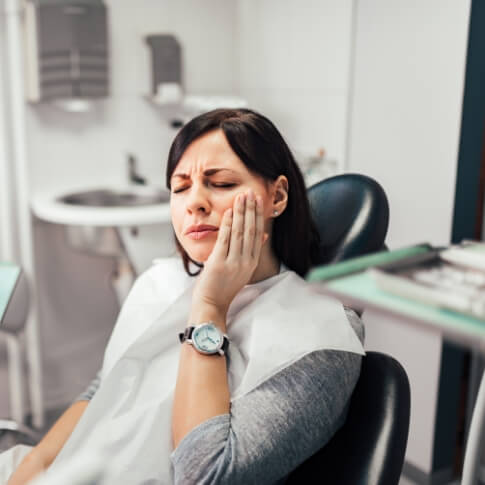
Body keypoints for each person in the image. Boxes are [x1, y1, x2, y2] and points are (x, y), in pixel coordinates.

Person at [6, 108, 364, 485]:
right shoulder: (160, 282)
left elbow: (205, 476)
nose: (195, 202)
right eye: (180, 187)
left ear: (276, 196)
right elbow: (103, 391)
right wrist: (26, 475)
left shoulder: (322, 338)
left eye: (222, 183)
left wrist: (210, 307)